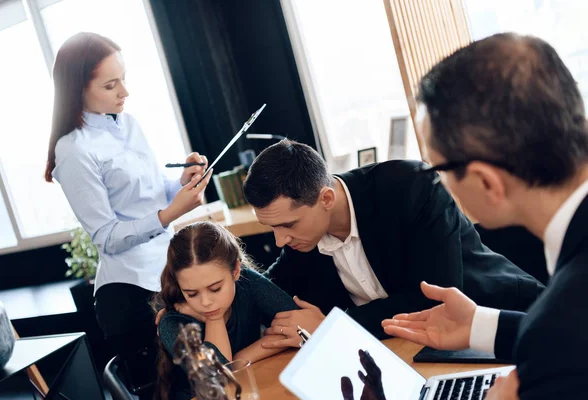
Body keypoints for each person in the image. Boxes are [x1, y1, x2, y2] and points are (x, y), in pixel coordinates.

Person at [381, 33, 588, 399]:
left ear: (486, 182)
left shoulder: (560, 327)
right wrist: (481, 325)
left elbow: (564, 341)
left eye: (438, 169)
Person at [241, 139, 545, 348]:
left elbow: (435, 302)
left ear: (326, 199)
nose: (280, 240)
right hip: (416, 352)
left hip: (511, 323)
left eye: (288, 225)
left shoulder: (410, 187)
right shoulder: (302, 242)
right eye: (272, 228)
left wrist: (333, 325)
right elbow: (263, 293)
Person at [44, 32, 212, 392]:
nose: (124, 92)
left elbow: (149, 193)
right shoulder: (73, 151)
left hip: (167, 277)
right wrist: (169, 215)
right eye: (110, 84)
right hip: (130, 296)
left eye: (123, 79)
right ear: (77, 89)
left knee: (208, 382)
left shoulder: (128, 123)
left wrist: (180, 182)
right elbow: (106, 236)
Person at [155, 221, 298, 399]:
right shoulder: (172, 324)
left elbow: (298, 326)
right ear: (179, 285)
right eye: (191, 294)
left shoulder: (247, 283)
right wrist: (214, 319)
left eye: (215, 289)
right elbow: (218, 376)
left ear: (236, 271)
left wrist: (241, 357)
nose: (206, 302)